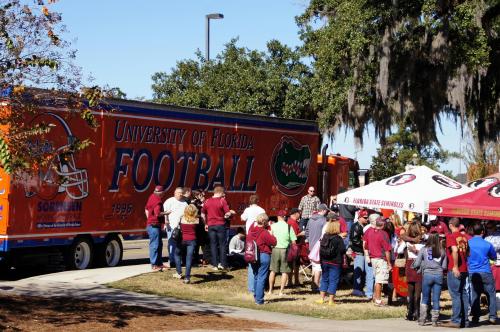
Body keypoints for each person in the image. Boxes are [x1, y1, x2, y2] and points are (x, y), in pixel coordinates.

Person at [441, 218, 470, 328]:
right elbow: (467, 252)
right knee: (463, 294)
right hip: (464, 269)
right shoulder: (464, 237)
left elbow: (455, 250)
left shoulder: (451, 236)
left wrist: (455, 266)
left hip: (455, 269)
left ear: (450, 225)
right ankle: (465, 321)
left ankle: (456, 320)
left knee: (456, 295)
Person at [412, 233, 447, 326]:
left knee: (425, 298)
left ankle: (422, 319)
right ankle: (435, 320)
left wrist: (414, 266)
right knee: (436, 299)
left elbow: (417, 263)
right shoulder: (442, 250)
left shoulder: (424, 249)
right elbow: (444, 266)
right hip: (439, 275)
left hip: (427, 275)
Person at [467, 222, 497, 326]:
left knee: (475, 295)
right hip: (486, 271)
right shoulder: (487, 244)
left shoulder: (468, 243)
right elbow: (493, 257)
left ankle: (475, 317)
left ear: (473, 231)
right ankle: (492, 317)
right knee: (491, 295)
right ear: (483, 232)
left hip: (473, 272)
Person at [201, 186, 235, 271]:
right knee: (222, 245)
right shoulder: (222, 201)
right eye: (223, 193)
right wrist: (228, 214)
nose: (224, 195)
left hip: (210, 225)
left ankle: (215, 264)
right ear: (220, 192)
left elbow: (202, 214)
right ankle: (223, 264)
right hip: (220, 225)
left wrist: (205, 223)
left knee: (213, 244)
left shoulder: (207, 201)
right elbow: (227, 214)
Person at [248, 213, 277, 305]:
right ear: (265, 222)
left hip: (253, 255)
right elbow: (274, 242)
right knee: (262, 277)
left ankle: (256, 296)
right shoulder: (264, 232)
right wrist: (272, 234)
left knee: (256, 276)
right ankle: (259, 300)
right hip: (263, 255)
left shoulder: (251, 231)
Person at [364, 215, 392, 306]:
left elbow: (365, 245)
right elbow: (387, 250)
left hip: (373, 258)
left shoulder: (368, 231)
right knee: (379, 281)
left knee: (376, 279)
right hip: (381, 259)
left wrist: (367, 255)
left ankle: (375, 297)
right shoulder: (384, 234)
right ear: (383, 225)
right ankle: (378, 300)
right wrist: (389, 263)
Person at [315, 221, 345, 305]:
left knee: (324, 279)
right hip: (335, 262)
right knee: (333, 281)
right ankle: (331, 300)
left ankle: (321, 298)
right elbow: (343, 250)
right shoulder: (338, 239)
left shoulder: (325, 236)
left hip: (324, 261)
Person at [268, 210, 297, 296]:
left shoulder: (272, 226)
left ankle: (270, 290)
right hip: (285, 250)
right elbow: (294, 241)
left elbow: (270, 238)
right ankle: (281, 291)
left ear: (277, 217)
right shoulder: (289, 227)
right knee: (285, 271)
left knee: (273, 271)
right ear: (285, 217)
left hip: (275, 249)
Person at [401, 219, 425, 321]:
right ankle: (417, 312)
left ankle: (410, 312)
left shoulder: (407, 241)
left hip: (410, 263)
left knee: (410, 290)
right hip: (420, 264)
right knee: (418, 291)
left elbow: (398, 250)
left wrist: (409, 242)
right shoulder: (424, 240)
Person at [241, 194, 265, 292]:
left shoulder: (247, 210)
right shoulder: (261, 210)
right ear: (258, 201)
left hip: (250, 237)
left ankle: (251, 287)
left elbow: (242, 218)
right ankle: (259, 285)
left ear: (250, 201)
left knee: (251, 259)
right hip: (260, 235)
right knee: (260, 259)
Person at [305, 203, 330, 291]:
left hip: (311, 246)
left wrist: (309, 239)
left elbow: (306, 231)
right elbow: (326, 234)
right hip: (319, 246)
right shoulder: (324, 220)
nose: (327, 212)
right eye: (326, 210)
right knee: (318, 267)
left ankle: (313, 285)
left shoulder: (310, 219)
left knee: (314, 266)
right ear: (322, 210)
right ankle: (315, 286)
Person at [173, 204, 199, 284]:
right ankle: (187, 277)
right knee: (189, 258)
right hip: (192, 240)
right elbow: (199, 231)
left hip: (182, 240)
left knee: (177, 254)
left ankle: (179, 272)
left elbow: (178, 227)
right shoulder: (197, 220)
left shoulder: (182, 218)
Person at [163, 187, 188, 268]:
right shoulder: (169, 201)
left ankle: (178, 260)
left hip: (181, 227)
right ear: (175, 193)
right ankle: (172, 260)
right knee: (172, 244)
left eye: (181, 192)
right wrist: (166, 222)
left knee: (180, 245)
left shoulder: (185, 203)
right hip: (171, 226)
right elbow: (165, 212)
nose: (180, 194)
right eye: (178, 192)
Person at [145, 185, 167, 271]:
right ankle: (154, 265)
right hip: (154, 226)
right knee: (155, 245)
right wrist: (166, 213)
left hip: (152, 224)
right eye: (163, 193)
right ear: (161, 193)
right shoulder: (157, 201)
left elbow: (146, 209)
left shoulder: (151, 197)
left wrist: (149, 219)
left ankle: (159, 263)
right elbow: (158, 213)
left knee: (159, 244)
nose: (163, 194)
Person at [349, 209, 368, 297]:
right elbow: (354, 240)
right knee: (358, 271)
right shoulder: (355, 226)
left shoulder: (364, 225)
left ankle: (359, 288)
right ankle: (356, 289)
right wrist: (364, 243)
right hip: (358, 251)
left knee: (362, 271)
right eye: (365, 217)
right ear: (360, 217)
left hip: (362, 251)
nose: (366, 219)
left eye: (367, 217)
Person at [287, 208, 304, 286]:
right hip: (294, 246)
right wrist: (301, 234)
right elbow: (293, 236)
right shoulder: (292, 223)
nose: (300, 215)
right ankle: (292, 281)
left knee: (293, 264)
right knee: (294, 264)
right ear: (296, 214)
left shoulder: (291, 221)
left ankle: (293, 281)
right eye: (299, 213)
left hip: (294, 246)